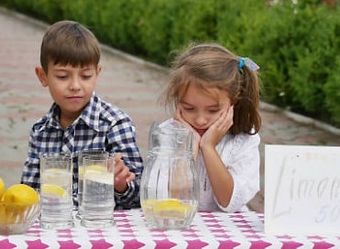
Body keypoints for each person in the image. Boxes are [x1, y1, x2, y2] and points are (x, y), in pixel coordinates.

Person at [21, 20, 143, 209]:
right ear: (42, 76)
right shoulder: (41, 131)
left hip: (100, 231)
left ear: (97, 73)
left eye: (86, 76)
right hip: (54, 229)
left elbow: (138, 198)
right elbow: (29, 192)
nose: (75, 86)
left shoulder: (114, 124)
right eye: (63, 76)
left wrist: (121, 184)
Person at [159, 42, 262, 212]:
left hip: (229, 232)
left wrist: (208, 147)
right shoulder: (166, 134)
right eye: (188, 108)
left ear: (233, 102)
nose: (200, 120)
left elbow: (229, 202)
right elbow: (172, 198)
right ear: (177, 100)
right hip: (180, 229)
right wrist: (189, 144)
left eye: (213, 110)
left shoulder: (244, 140)